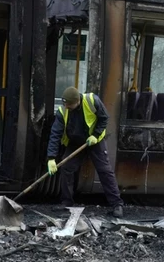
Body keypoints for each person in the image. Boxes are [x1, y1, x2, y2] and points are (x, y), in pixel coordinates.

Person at [46, 87, 124, 218]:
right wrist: (51, 158)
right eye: (65, 104)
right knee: (66, 168)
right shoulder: (62, 111)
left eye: (69, 105)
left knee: (104, 171)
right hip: (75, 142)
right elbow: (55, 134)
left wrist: (95, 135)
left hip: (94, 141)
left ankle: (117, 205)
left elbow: (104, 117)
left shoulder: (92, 100)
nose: (67, 107)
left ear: (78, 101)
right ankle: (66, 202)